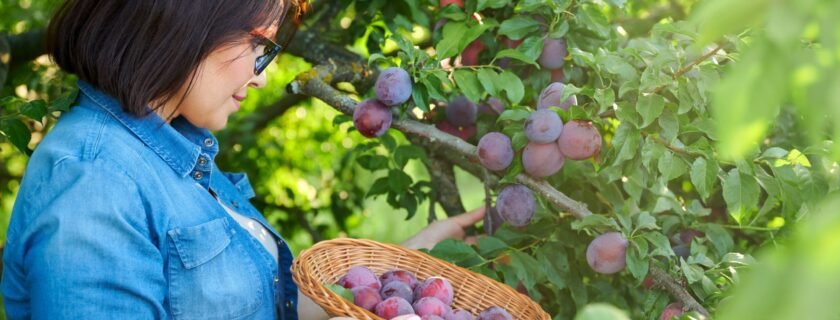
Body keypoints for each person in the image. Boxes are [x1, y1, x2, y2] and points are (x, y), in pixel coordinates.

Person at [0, 1, 484, 319]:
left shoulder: (173, 152)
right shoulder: (96, 180)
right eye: (258, 45)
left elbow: (267, 305)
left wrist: (407, 270)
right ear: (187, 19)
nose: (262, 77)